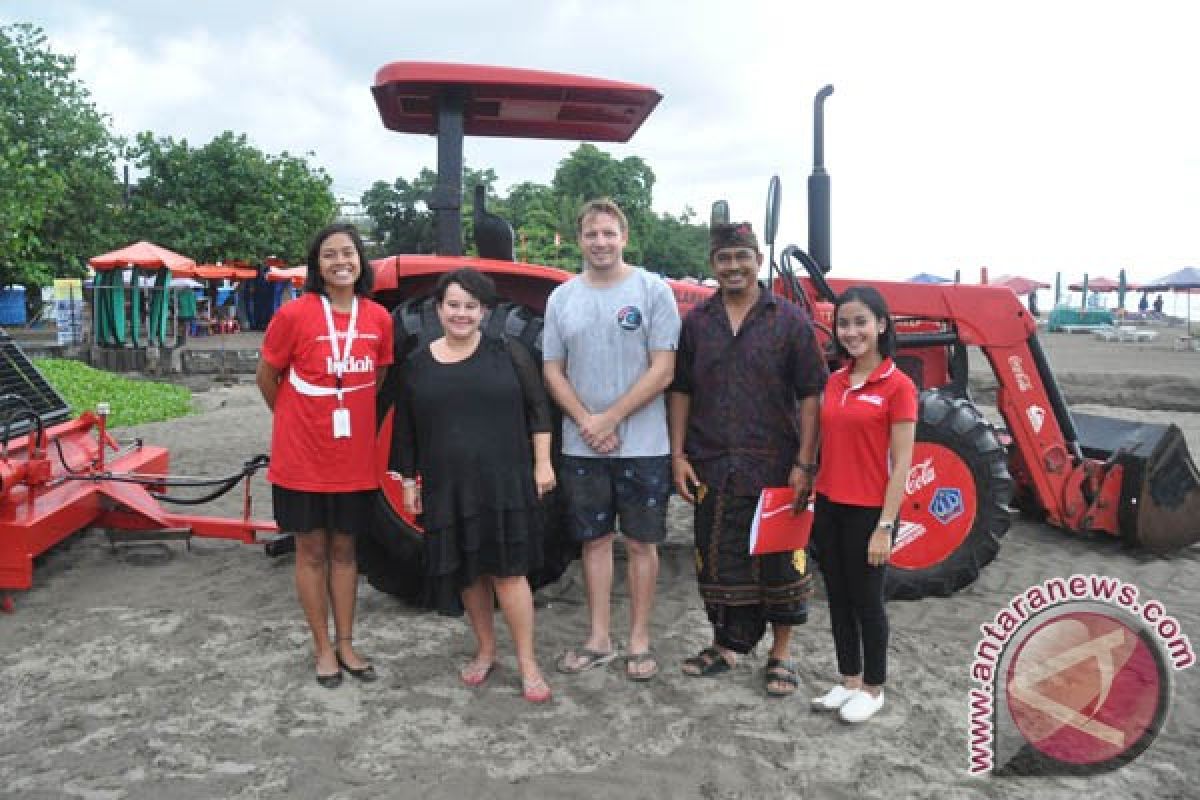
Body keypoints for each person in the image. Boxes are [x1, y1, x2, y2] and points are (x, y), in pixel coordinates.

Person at [667, 222, 827, 696]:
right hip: (713, 462)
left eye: (742, 255)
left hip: (776, 467)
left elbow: (812, 395)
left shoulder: (790, 321)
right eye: (723, 258)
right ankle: (726, 645)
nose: (733, 266)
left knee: (782, 566)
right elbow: (682, 390)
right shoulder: (698, 323)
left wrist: (805, 464)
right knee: (718, 561)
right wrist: (678, 454)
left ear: (758, 259)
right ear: (712, 265)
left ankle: (781, 655)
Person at [390, 268, 556, 703]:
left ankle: (528, 663)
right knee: (469, 574)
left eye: (471, 306)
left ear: (484, 311)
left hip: (504, 481)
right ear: (438, 309)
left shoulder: (510, 352)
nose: (461, 314)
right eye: (453, 305)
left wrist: (542, 464)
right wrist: (409, 481)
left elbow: (538, 411)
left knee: (508, 574)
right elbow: (405, 430)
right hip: (449, 485)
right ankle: (485, 651)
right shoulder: (417, 365)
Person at [543, 197, 681, 682]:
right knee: (595, 541)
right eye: (591, 233)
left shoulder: (652, 291)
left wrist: (611, 419)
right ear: (579, 239)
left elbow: (663, 368)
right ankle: (598, 637)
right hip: (583, 445)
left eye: (608, 233)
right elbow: (552, 370)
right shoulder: (562, 298)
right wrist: (586, 420)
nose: (600, 242)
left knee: (643, 543)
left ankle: (638, 639)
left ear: (624, 236)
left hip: (643, 445)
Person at [256, 223, 394, 689]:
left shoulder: (378, 318)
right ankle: (321, 646)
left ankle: (348, 642)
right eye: (330, 254)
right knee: (311, 551)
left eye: (349, 253)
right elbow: (267, 377)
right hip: (302, 460)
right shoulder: (294, 315)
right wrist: (296, 419)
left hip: (353, 461)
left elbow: (374, 382)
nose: (341, 261)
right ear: (317, 264)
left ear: (361, 261)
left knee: (346, 551)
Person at [809, 286, 917, 723]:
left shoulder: (899, 386)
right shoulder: (835, 381)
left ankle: (874, 689)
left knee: (867, 601)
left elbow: (903, 461)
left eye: (860, 322)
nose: (851, 331)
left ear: (881, 325)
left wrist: (885, 526)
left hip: (869, 511)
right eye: (844, 323)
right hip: (830, 505)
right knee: (837, 596)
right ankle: (849, 679)